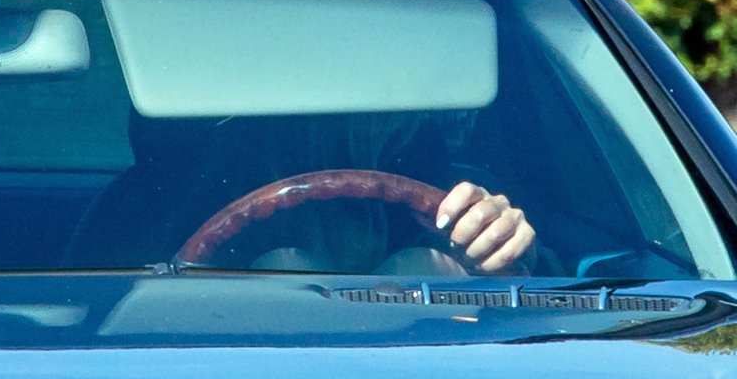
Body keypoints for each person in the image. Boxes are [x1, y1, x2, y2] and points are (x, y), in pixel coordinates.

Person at [63, 109, 537, 275]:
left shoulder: (443, 191)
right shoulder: (177, 191)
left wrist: (502, 245)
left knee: (425, 268)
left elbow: (542, 295)